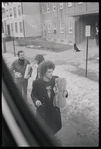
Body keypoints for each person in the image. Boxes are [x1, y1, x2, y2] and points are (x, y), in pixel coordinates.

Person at [31, 60, 68, 137]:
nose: (51, 74)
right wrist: (36, 100)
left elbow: (62, 90)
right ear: (44, 72)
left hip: (54, 109)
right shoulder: (36, 82)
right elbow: (33, 94)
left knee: (54, 127)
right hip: (43, 110)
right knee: (43, 130)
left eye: (52, 71)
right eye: (49, 72)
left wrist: (65, 93)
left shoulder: (56, 79)